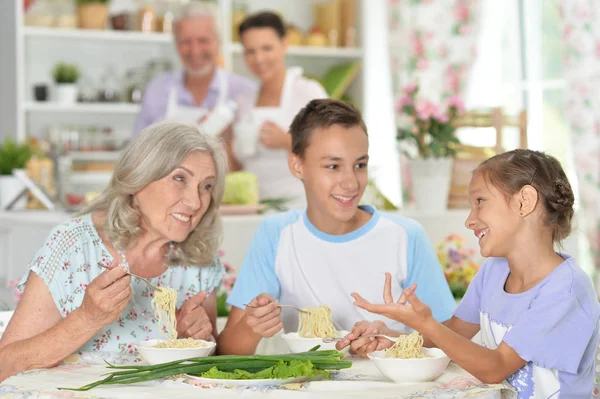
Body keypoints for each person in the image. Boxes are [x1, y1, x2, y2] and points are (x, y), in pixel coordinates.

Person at [350, 149, 600, 397]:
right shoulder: (494, 271)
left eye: (480, 201)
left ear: (524, 201)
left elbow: (496, 368)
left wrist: (425, 322)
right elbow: (452, 335)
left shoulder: (566, 289)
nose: (469, 220)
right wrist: (393, 339)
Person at [217, 99, 455, 355]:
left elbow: (452, 340)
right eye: (333, 166)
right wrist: (252, 327)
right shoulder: (276, 234)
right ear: (297, 166)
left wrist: (393, 338)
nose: (351, 183)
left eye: (360, 165)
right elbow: (229, 350)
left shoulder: (406, 236)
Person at [0, 121, 228, 382]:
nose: (195, 201)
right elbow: (5, 365)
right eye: (179, 178)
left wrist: (198, 342)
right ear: (137, 179)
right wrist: (87, 318)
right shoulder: (74, 245)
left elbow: (213, 367)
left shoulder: (199, 257)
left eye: (206, 186)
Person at [230, 12, 328, 209]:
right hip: (254, 209)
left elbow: (333, 149)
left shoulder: (308, 92)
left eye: (267, 48)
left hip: (301, 207)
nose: (259, 59)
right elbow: (237, 166)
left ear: (284, 44)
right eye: (250, 51)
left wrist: (287, 141)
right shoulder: (244, 102)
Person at [133, 2, 256, 140]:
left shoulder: (244, 92)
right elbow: (138, 152)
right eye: (186, 42)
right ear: (176, 44)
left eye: (203, 40)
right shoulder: (157, 90)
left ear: (218, 42)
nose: (195, 51)